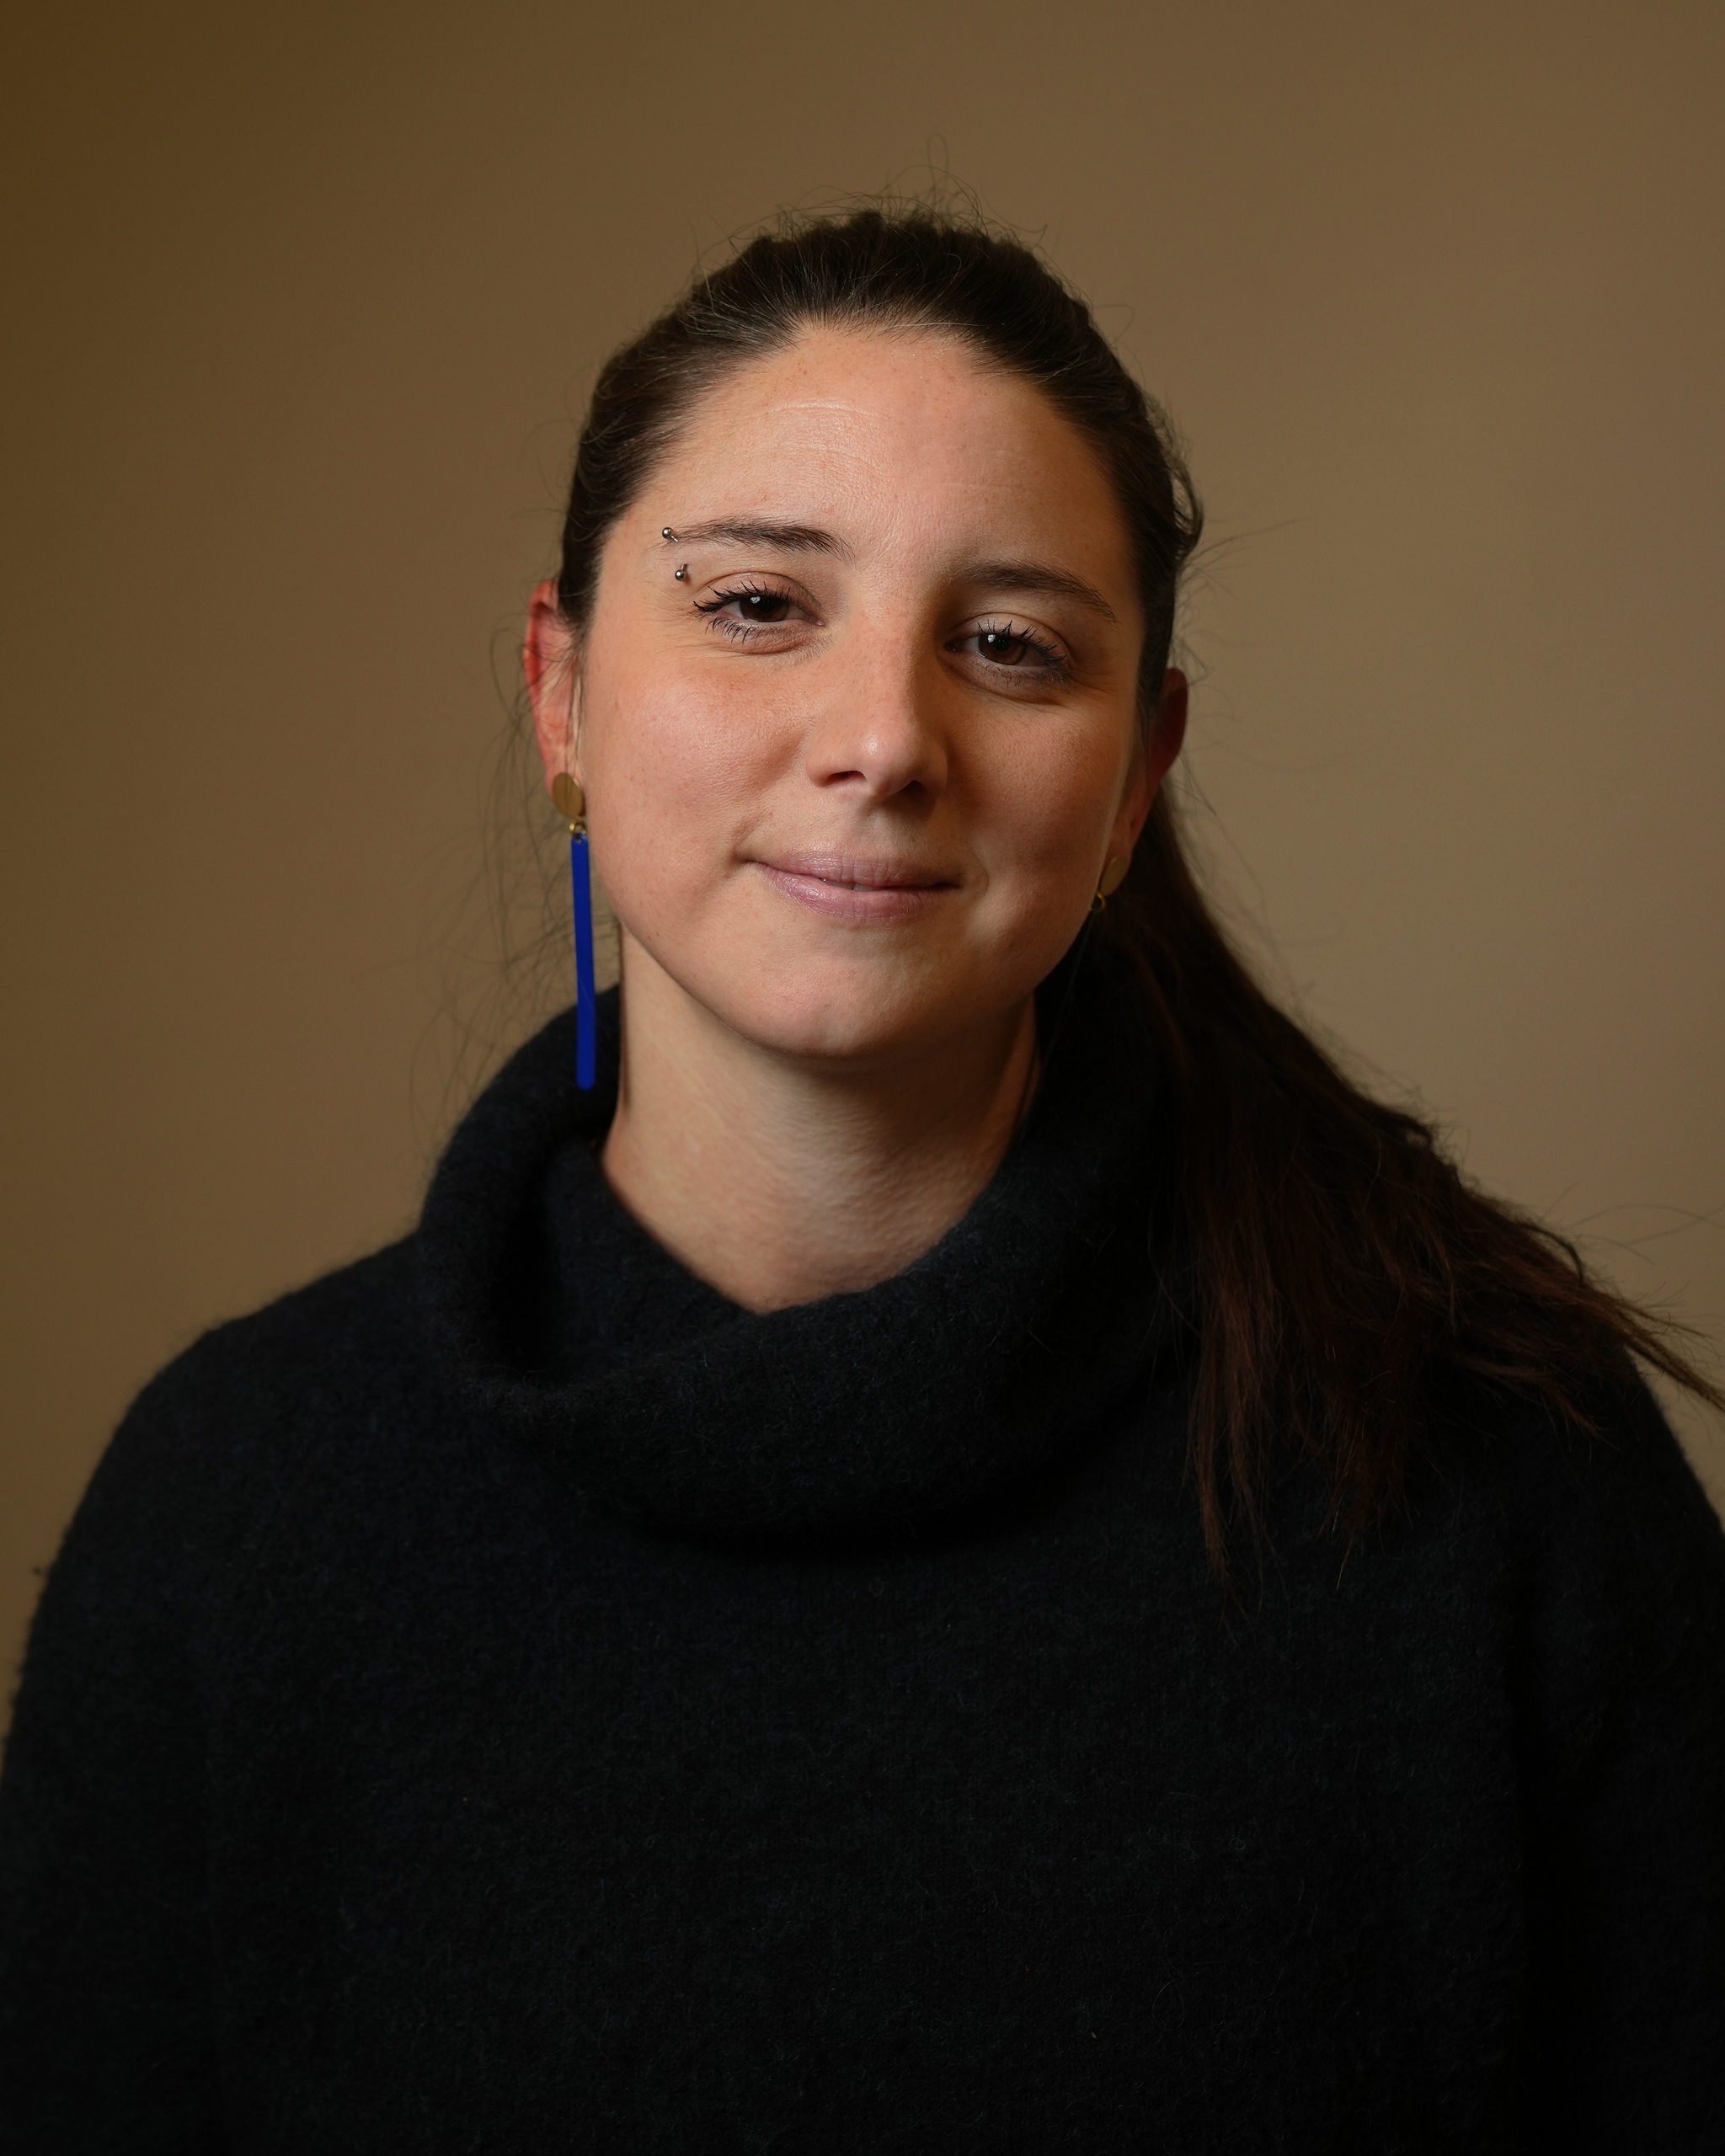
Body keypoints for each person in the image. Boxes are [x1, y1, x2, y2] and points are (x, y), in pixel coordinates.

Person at [2, 205, 1722, 2153]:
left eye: (1007, 645)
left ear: (1139, 770)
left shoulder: (1498, 1477)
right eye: (755, 604)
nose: (886, 737)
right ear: (561, 694)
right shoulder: (232, 1505)